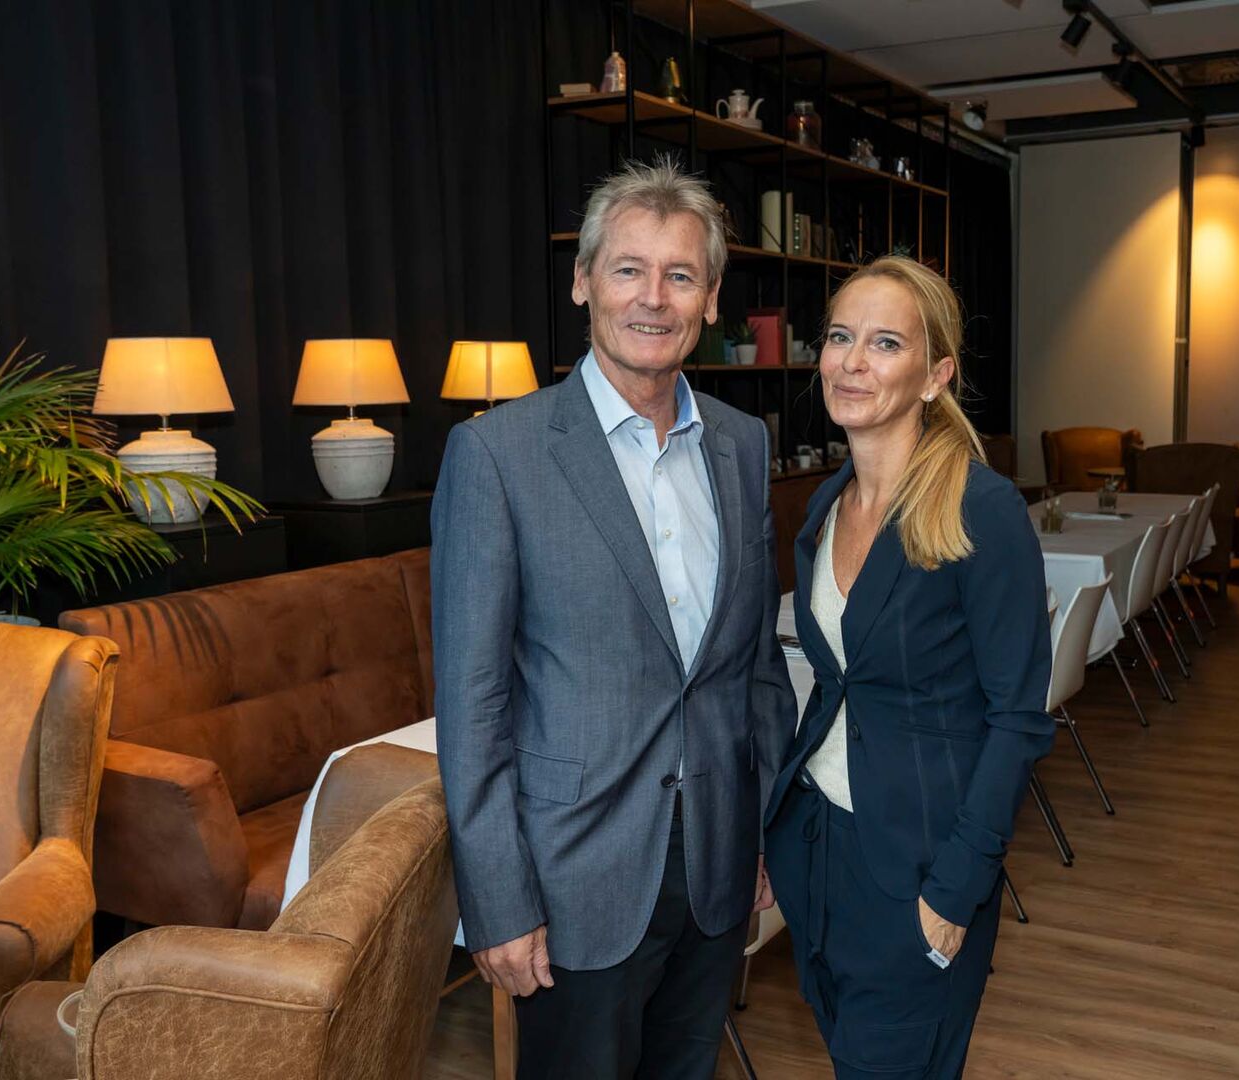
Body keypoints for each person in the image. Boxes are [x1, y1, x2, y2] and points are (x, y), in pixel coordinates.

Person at [431, 158, 796, 1079]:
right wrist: (498, 900)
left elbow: (753, 667)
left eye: (681, 275)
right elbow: (472, 705)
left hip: (715, 866)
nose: (653, 299)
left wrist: (762, 834)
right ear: (583, 280)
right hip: (571, 883)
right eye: (629, 269)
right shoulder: (497, 455)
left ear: (712, 299)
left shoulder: (743, 446)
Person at [763, 255, 1054, 1078]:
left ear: (935, 376)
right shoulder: (826, 506)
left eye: (885, 343)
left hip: (920, 867)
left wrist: (956, 887)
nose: (852, 362)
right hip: (818, 849)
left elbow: (1017, 720)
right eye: (839, 338)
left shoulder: (980, 510)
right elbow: (837, 685)